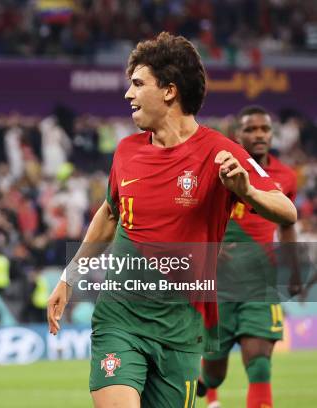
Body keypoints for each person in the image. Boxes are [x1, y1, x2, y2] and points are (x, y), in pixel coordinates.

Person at [47, 32, 297, 408]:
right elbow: (109, 214)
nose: (127, 95)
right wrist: (70, 276)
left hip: (181, 330)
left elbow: (286, 210)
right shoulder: (126, 152)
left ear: (169, 91)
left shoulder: (220, 152)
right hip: (120, 320)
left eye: (137, 84)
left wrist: (246, 191)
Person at [198, 106, 298, 408]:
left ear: (271, 134)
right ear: (237, 136)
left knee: (259, 362)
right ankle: (206, 383)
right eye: (251, 129)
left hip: (261, 283)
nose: (258, 135)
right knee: (215, 372)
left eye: (264, 129)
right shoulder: (219, 170)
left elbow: (287, 224)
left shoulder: (286, 178)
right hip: (218, 285)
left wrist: (293, 270)